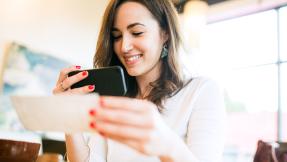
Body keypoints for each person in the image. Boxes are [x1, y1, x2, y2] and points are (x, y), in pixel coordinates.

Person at [53, 0, 226, 162]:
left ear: (165, 33)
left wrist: (166, 144)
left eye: (137, 32)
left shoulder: (201, 91)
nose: (124, 47)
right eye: (116, 36)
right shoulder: (114, 99)